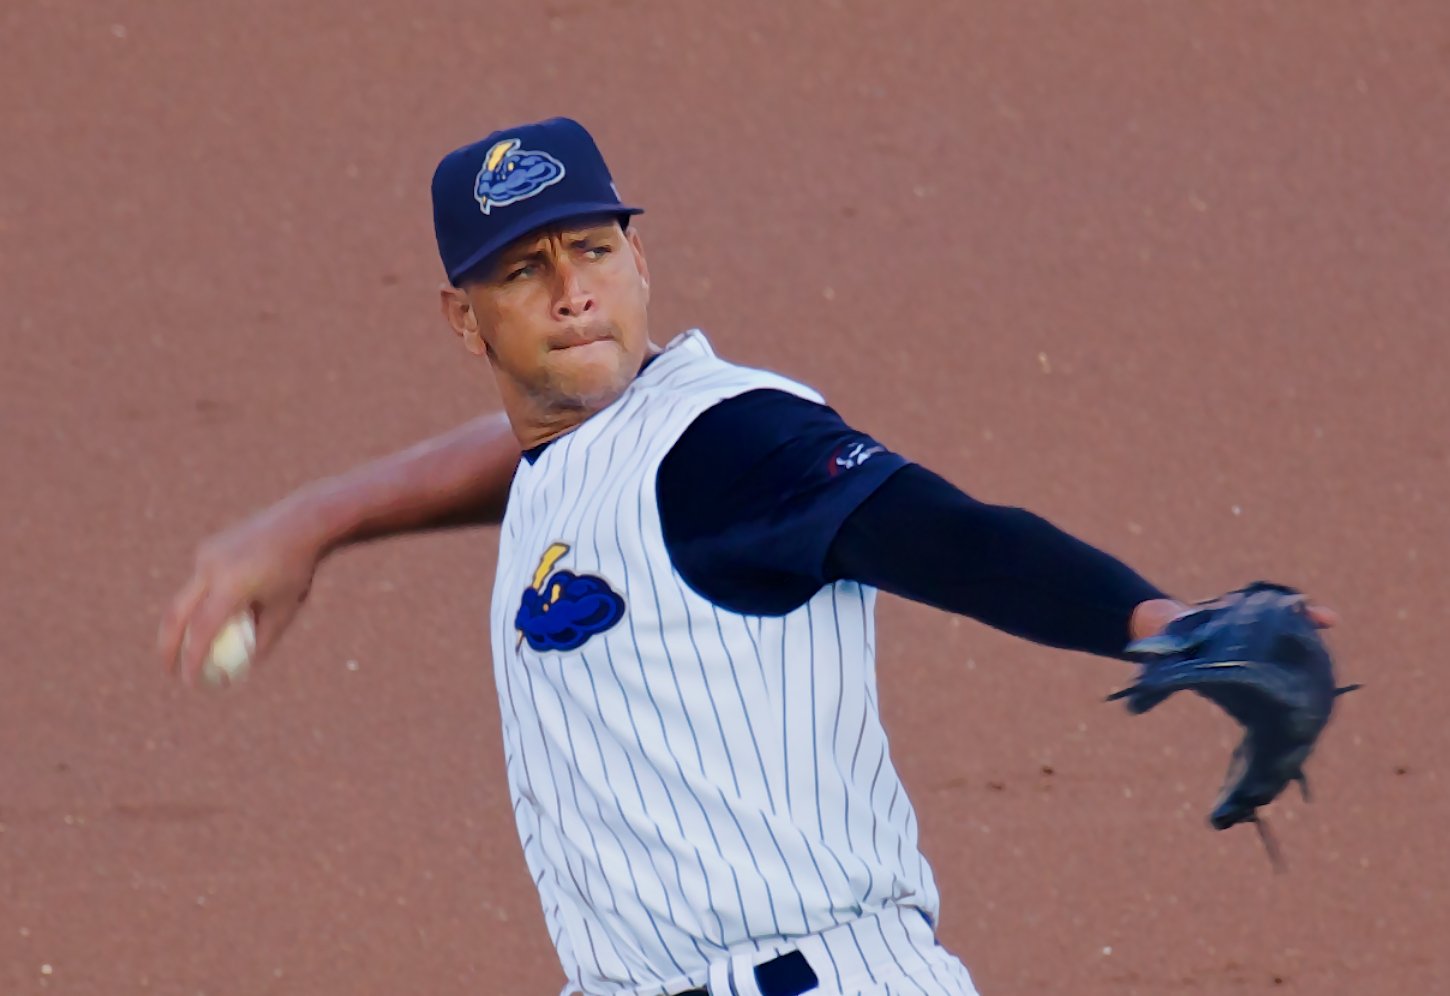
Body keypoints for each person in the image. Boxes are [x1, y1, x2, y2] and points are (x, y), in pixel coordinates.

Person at [158, 117, 1334, 996]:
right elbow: (522, 449)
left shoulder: (731, 438)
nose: (573, 295)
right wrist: (315, 519)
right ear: (466, 322)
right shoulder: (582, 445)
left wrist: (1162, 624)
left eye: (594, 250)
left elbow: (954, 538)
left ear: (639, 259)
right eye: (524, 271)